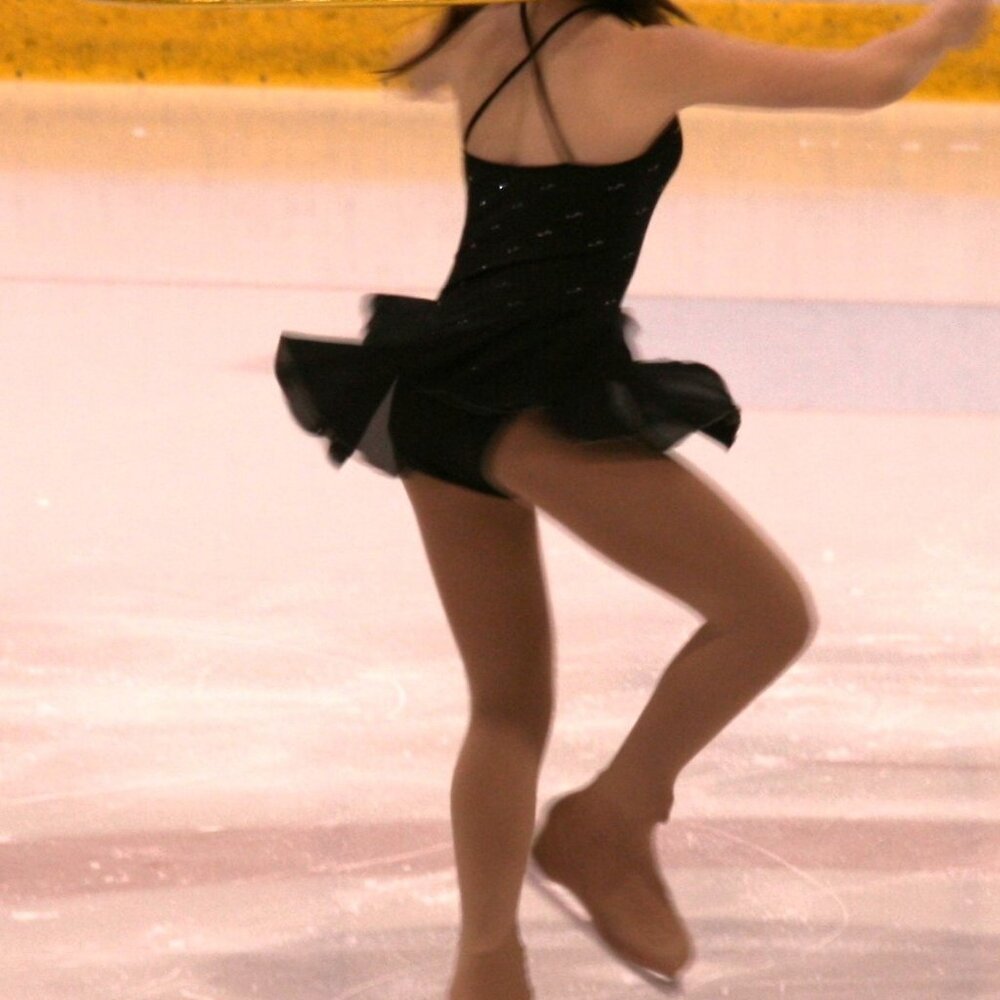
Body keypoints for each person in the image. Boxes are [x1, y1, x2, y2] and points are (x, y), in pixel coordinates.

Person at [274, 0, 991, 995]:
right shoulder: (640, 56)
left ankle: (486, 965)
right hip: (535, 395)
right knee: (766, 613)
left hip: (433, 386)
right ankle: (613, 813)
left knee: (506, 707)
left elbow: (413, 65)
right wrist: (943, 26)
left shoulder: (472, 34)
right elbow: (865, 82)